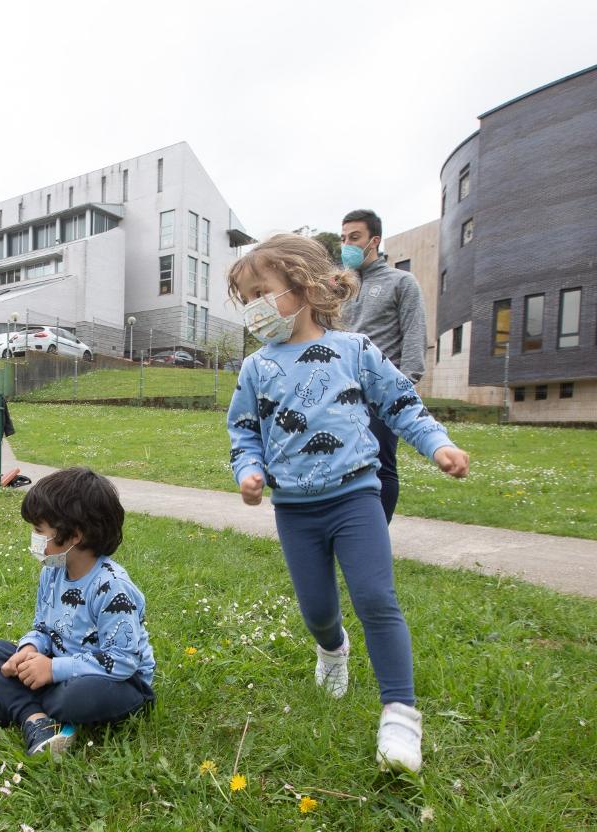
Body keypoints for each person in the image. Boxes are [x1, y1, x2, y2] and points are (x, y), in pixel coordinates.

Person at [226, 234, 469, 773]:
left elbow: (402, 404)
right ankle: (332, 650)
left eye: (261, 292)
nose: (253, 308)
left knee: (376, 599)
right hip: (295, 510)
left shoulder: (354, 350)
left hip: (356, 497)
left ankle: (400, 715)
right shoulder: (255, 369)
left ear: (303, 286)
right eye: (245, 299)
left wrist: (439, 445)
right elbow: (243, 432)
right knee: (317, 611)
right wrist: (248, 471)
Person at [0, 467, 156, 757]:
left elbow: (123, 661)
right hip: (63, 667)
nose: (34, 538)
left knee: (73, 698)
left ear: (74, 535)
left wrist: (52, 670)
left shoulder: (112, 587)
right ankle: (35, 718)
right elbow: (43, 629)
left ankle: (18, 705)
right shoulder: (52, 572)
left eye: (39, 531)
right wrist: (29, 649)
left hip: (121, 682)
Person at [338, 209, 427, 522]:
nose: (347, 244)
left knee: (381, 467)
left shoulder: (402, 282)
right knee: (344, 464)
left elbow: (414, 333)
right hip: (342, 390)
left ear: (374, 240)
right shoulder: (340, 288)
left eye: (355, 237)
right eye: (343, 238)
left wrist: (404, 386)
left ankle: (375, 537)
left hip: (383, 391)